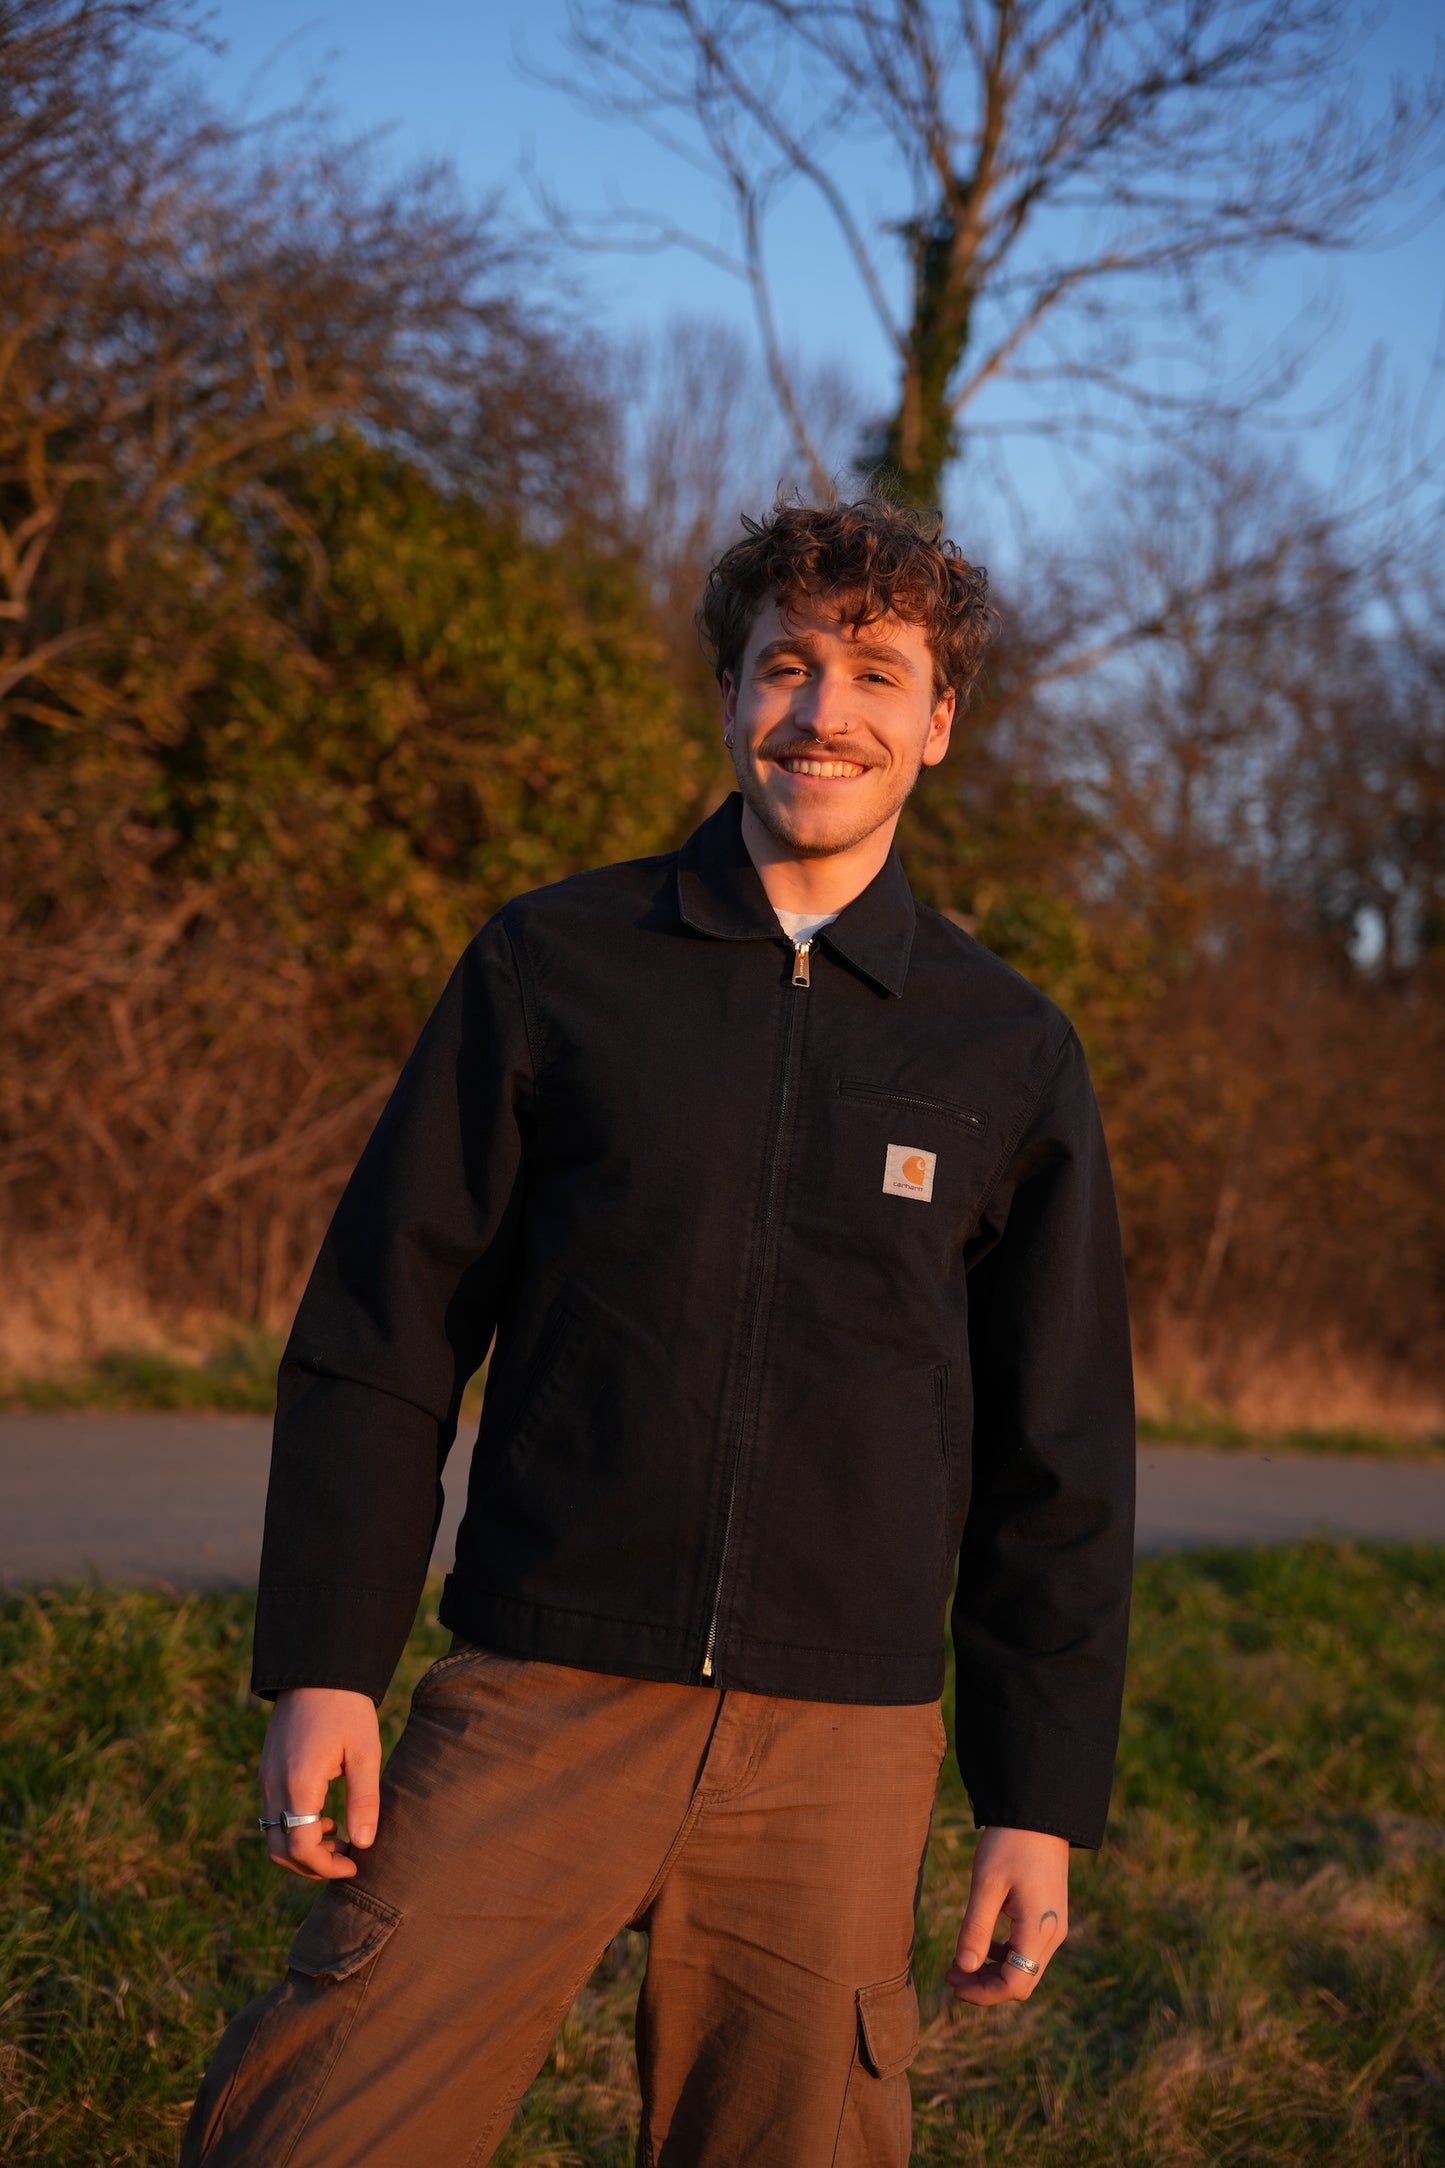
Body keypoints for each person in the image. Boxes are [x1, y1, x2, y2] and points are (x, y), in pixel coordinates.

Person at [181, 497, 1135, 2168]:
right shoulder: (555, 961)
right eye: (784, 665)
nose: (820, 711)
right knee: (305, 2137)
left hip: (838, 1757)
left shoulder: (1007, 1050)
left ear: (936, 723)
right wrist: (326, 1660)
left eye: (872, 673)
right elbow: (383, 1327)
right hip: (541, 1689)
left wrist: (1036, 1803)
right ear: (727, 695)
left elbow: (1057, 1459)